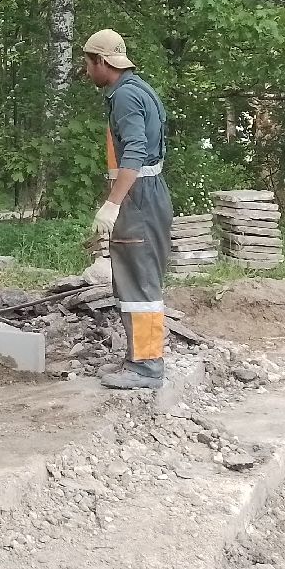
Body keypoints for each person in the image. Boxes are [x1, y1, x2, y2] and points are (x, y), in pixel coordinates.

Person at [83, 28, 173, 390]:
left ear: (102, 62)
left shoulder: (124, 97)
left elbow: (134, 152)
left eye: (88, 64)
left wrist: (112, 204)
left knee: (139, 282)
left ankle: (147, 367)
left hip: (139, 197)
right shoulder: (137, 88)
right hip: (147, 193)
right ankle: (141, 359)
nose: (87, 72)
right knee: (138, 278)